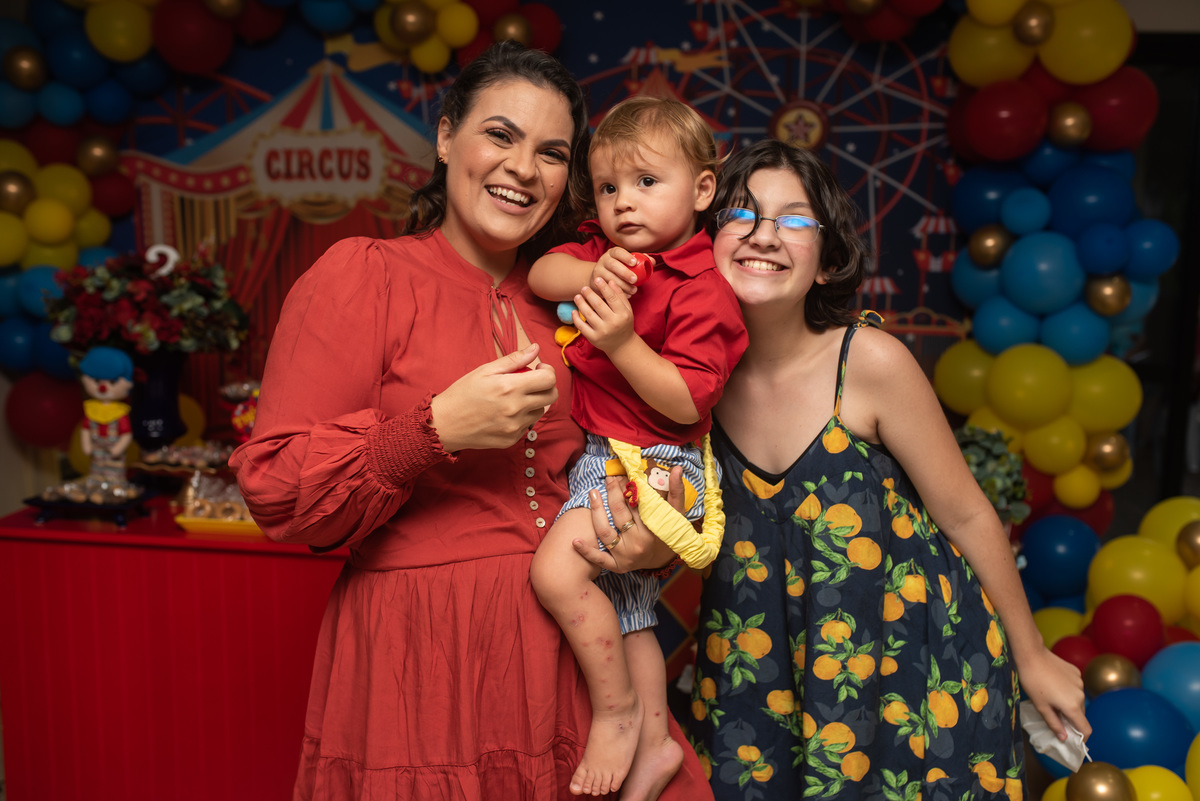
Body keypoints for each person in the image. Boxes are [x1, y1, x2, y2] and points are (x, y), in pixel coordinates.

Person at [230, 42, 713, 801]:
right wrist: (433, 429)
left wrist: (649, 544)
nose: (524, 168)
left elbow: (652, 445)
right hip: (422, 658)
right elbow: (278, 492)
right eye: (500, 135)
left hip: (579, 653)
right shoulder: (364, 276)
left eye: (552, 153)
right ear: (447, 136)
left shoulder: (583, 299)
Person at [574, 139, 1090, 799]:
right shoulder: (676, 385)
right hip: (758, 671)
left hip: (910, 667)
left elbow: (965, 513)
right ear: (704, 241)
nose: (764, 235)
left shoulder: (869, 361)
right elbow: (678, 519)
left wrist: (1033, 655)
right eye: (741, 214)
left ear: (827, 262)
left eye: (794, 220)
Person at [527, 97, 746, 800]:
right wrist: (592, 275)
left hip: (656, 464)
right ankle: (655, 744)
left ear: (702, 189)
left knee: (556, 576)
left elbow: (687, 400)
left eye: (647, 182)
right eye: (609, 186)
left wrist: (621, 342)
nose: (623, 202)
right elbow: (541, 274)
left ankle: (617, 711)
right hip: (609, 454)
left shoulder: (703, 288)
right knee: (629, 611)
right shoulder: (607, 252)